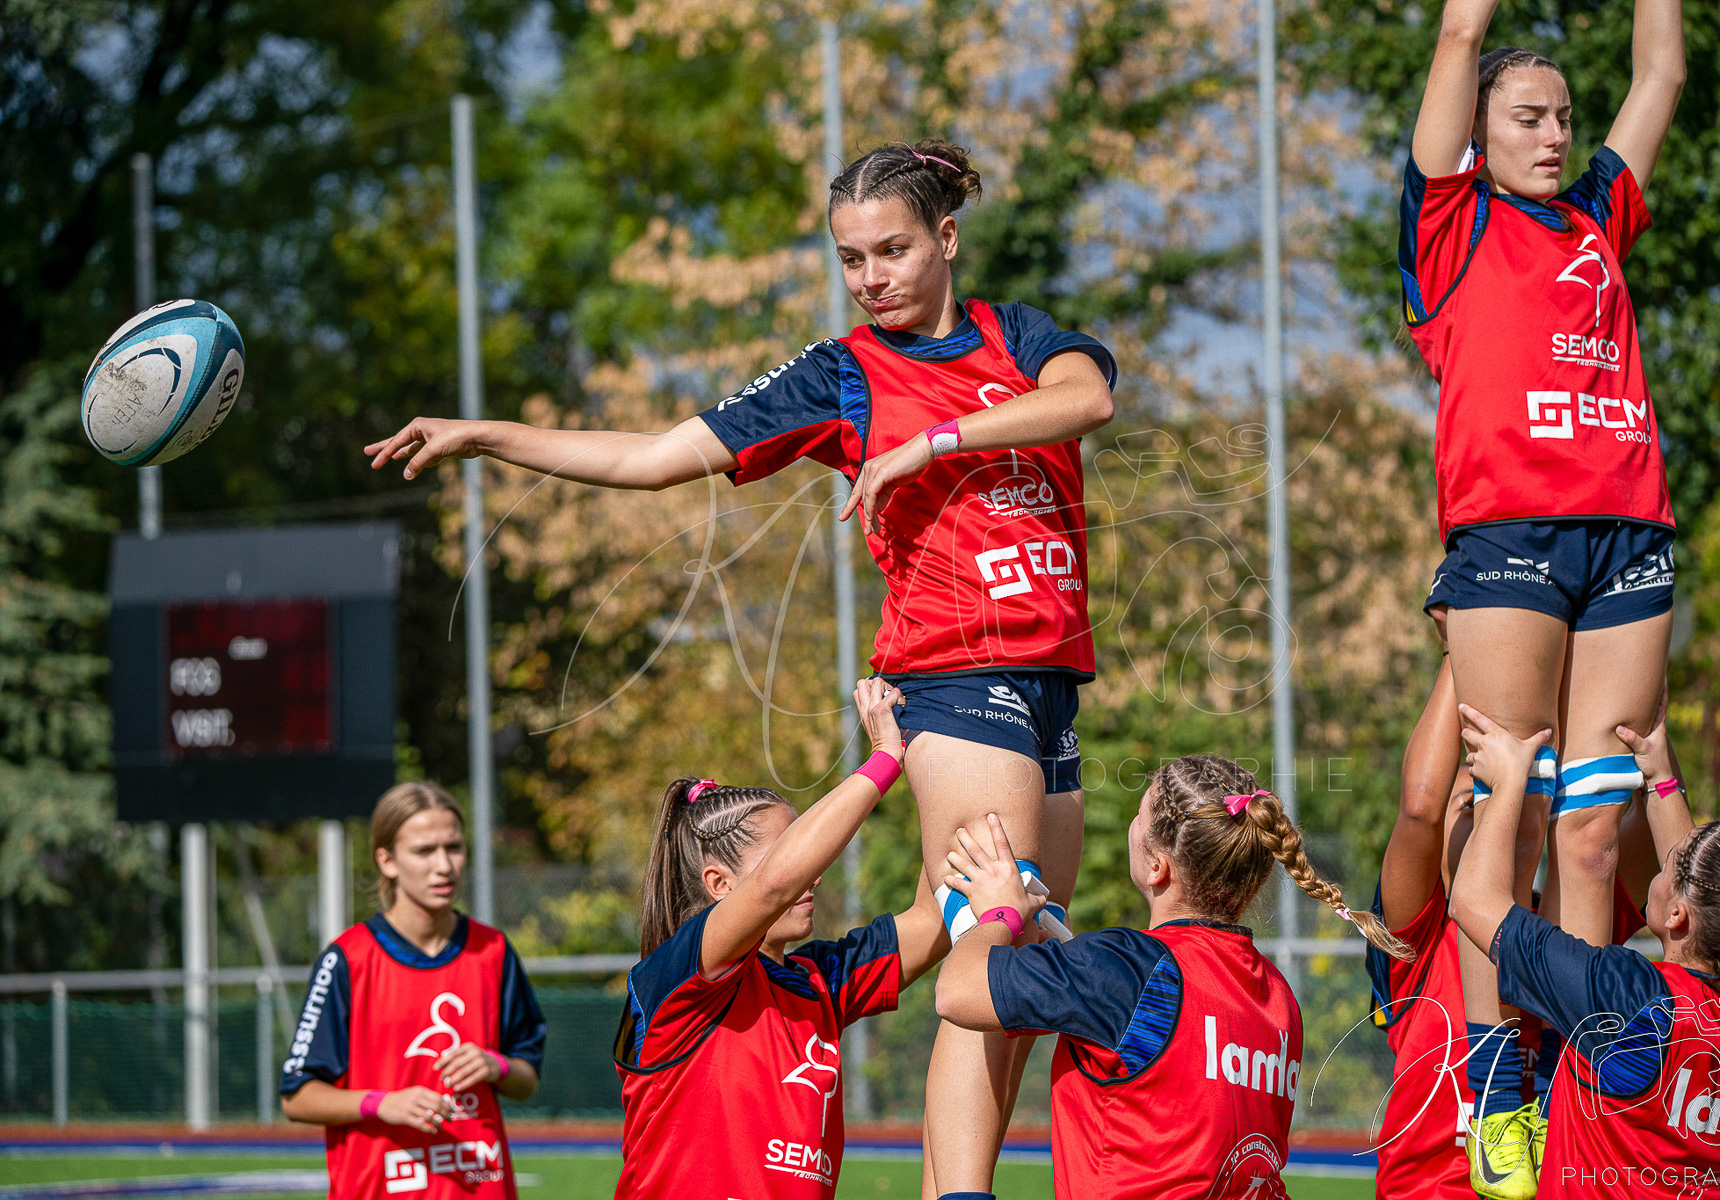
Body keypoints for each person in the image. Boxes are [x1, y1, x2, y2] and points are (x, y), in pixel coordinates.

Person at [366, 137, 1117, 1196]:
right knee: (981, 949)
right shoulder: (842, 373)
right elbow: (649, 459)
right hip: (953, 674)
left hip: (1053, 684)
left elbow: (1088, 403)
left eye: (893, 251)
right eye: (851, 259)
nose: (872, 279)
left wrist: (929, 444)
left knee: (1024, 950)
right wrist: (490, 436)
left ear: (948, 239)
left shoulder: (1022, 337)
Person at [1402, 0, 1686, 1175]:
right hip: (1507, 538)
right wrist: (1462, 32)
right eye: (1531, 116)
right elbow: (1457, 51)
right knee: (1505, 799)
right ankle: (1495, 1082)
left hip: (1628, 533)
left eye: (1566, 115)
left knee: (1596, 824)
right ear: (1480, 132)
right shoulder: (1452, 220)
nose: (1558, 133)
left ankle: (1586, 1066)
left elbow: (1660, 70)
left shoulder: (1598, 217)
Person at [932, 754, 1413, 1200]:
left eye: (1138, 816)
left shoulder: (1128, 969)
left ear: (1157, 866)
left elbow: (958, 992)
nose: (1131, 823)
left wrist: (999, 913)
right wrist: (1060, 960)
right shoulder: (1277, 995)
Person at [1450, 702, 1720, 1199]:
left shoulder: (1629, 1003)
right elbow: (1700, 891)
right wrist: (1662, 782)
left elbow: (1473, 902)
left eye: (1666, 870)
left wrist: (1507, 785)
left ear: (1679, 915)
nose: (1654, 870)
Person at [613, 678, 947, 1199]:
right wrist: (884, 758)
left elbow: (932, 921)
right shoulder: (678, 976)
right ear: (719, 886)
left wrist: (947, 732)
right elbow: (774, 886)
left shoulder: (820, 983)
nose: (811, 874)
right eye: (793, 855)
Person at [1367, 663, 1656, 1200]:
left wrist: (1632, 703)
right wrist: (1473, 639)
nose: (1491, 820)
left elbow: (1633, 839)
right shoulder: (1421, 942)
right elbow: (1419, 809)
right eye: (1474, 805)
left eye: (1507, 803)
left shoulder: (1571, 928)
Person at [281, 782, 546, 1200]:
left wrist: (496, 1065)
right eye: (424, 851)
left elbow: (526, 1079)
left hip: (481, 1187)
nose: (444, 865)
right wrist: (380, 1103)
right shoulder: (348, 960)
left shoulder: (492, 951)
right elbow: (297, 1096)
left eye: (454, 847)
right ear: (387, 860)